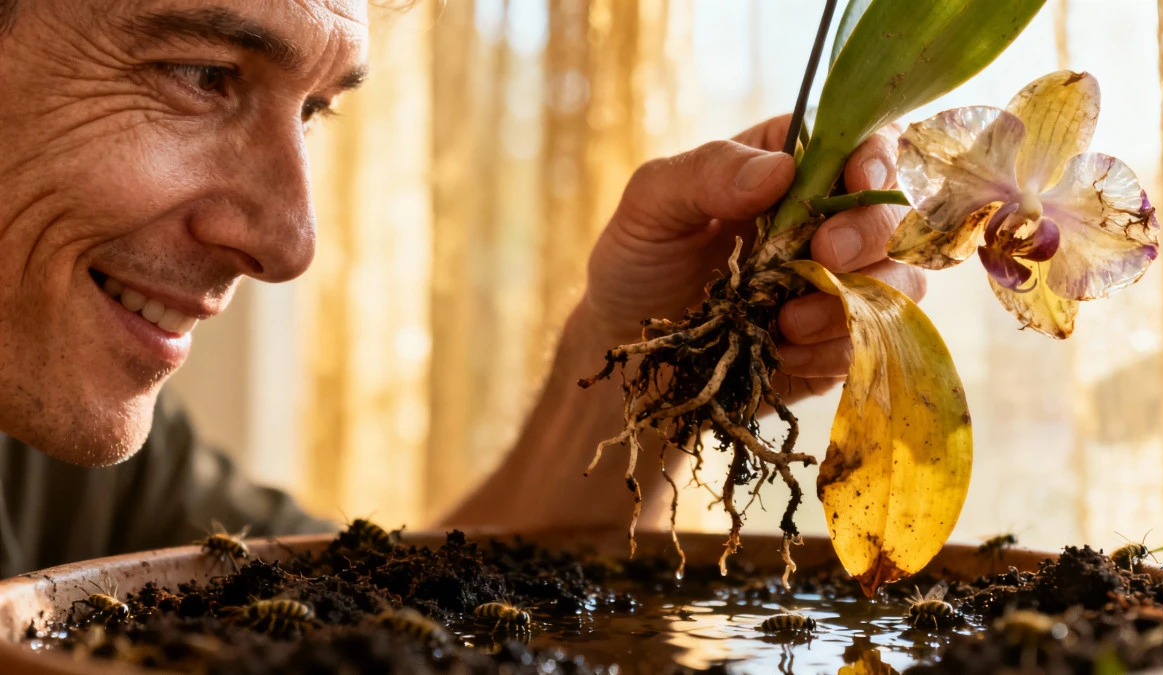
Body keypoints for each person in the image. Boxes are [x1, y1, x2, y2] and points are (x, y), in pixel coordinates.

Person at [0, 0, 922, 577]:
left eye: (315, 111)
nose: (291, 244)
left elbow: (399, 631)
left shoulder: (52, 460)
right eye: (205, 76)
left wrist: (653, 351)